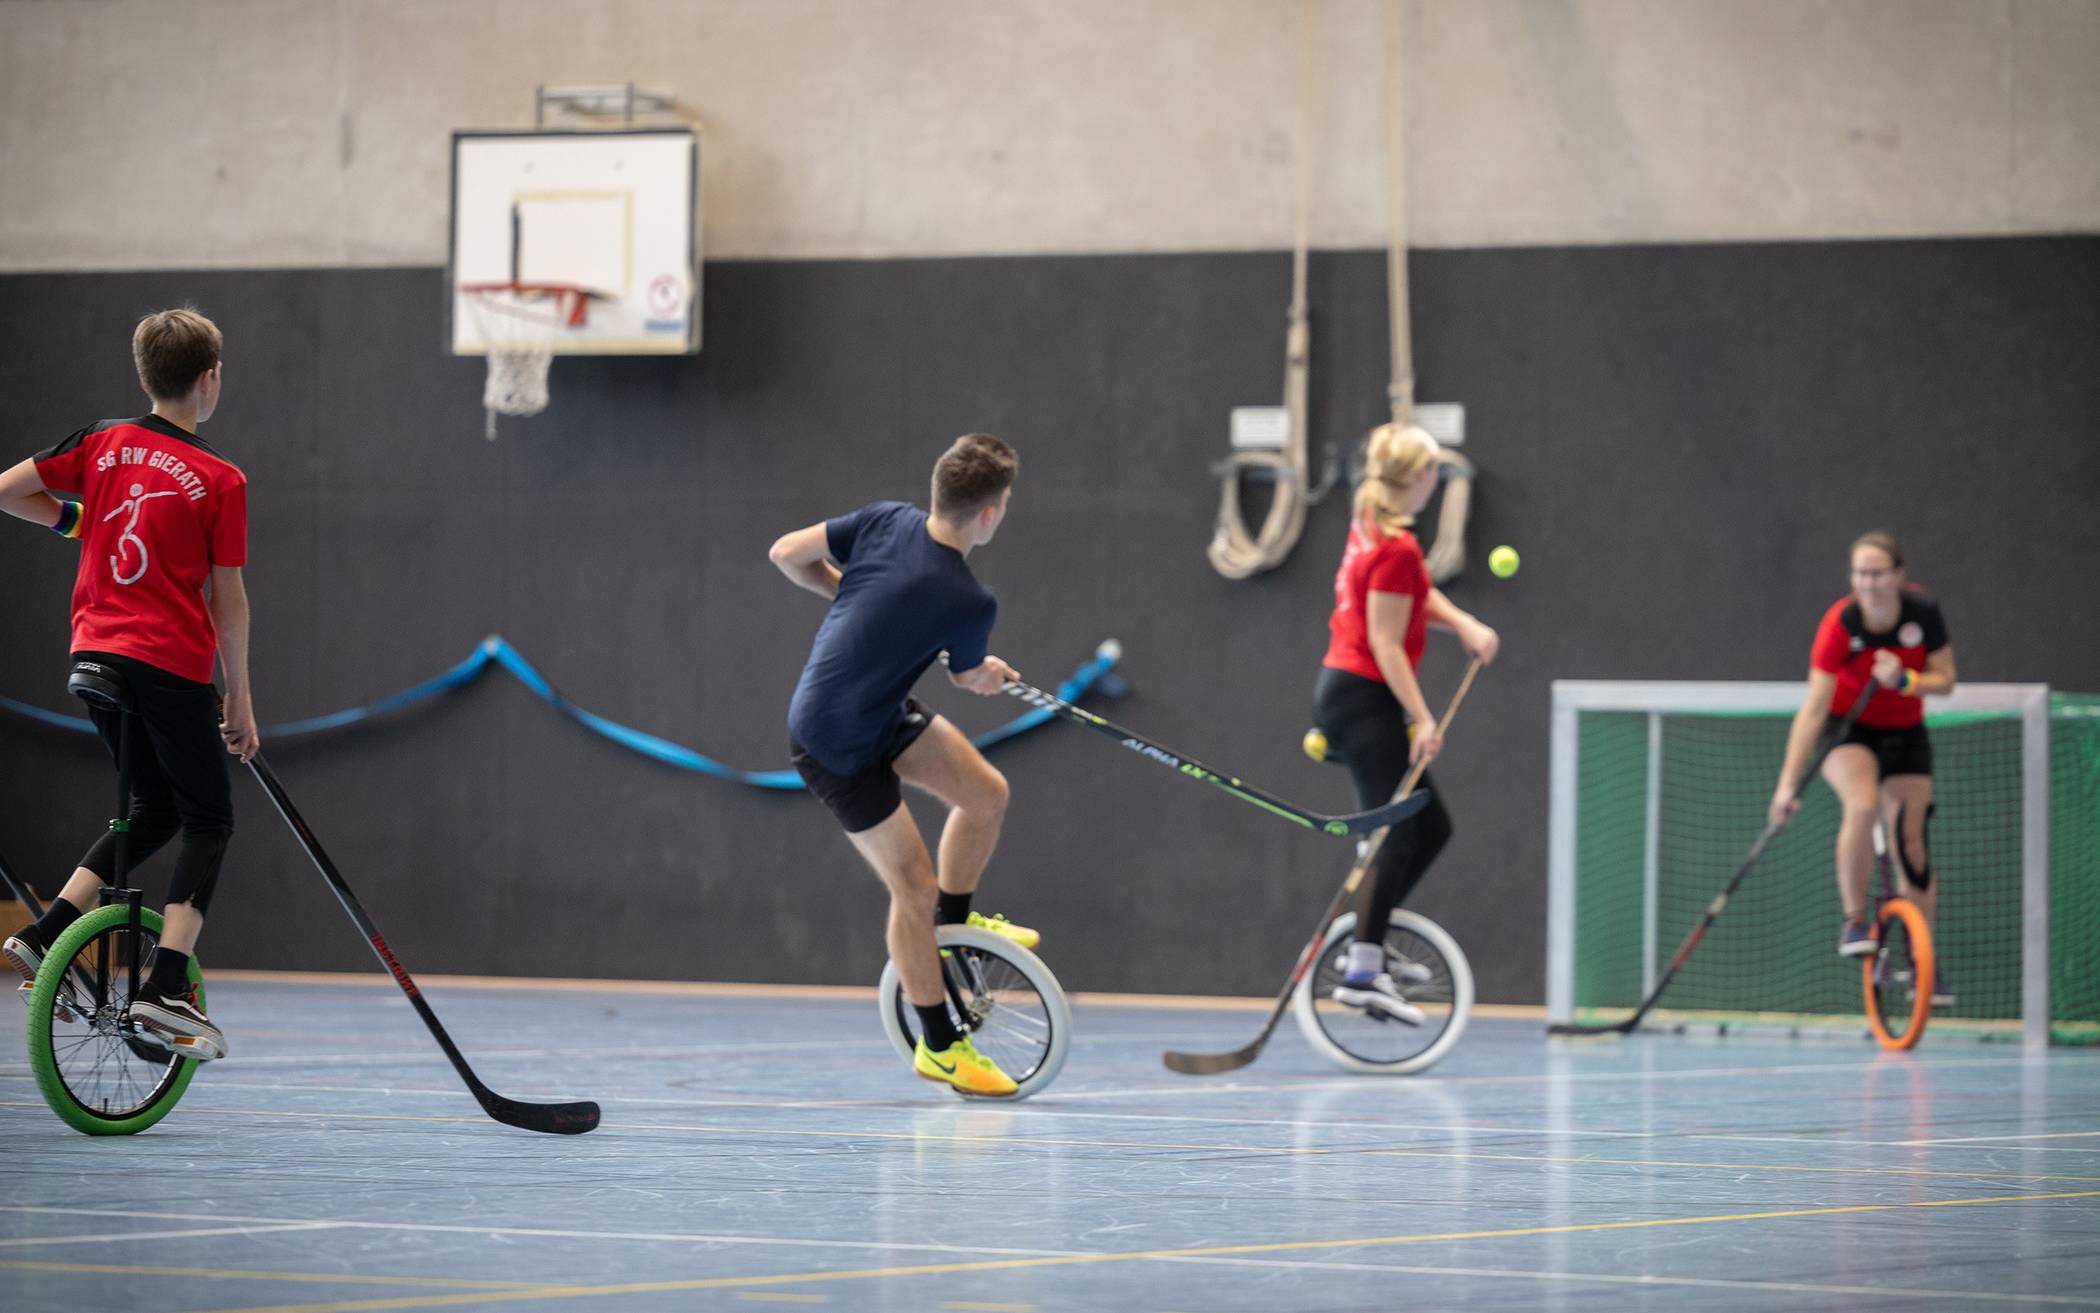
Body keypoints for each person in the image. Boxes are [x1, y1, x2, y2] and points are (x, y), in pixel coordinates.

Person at [0, 307, 257, 1059]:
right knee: (209, 818)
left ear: (144, 377)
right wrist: (238, 697)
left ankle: (46, 933)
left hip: (93, 660)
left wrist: (75, 523)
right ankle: (167, 983)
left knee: (152, 810)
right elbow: (228, 598)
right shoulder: (220, 477)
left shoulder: (103, 442)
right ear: (210, 380)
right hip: (169, 666)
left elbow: (9, 490)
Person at [770, 433, 1036, 1096]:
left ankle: (953, 919)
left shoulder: (887, 519)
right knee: (910, 888)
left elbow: (785, 553)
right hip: (833, 742)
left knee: (986, 794)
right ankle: (940, 1046)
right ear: (991, 513)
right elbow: (970, 675)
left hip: (876, 710)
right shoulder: (970, 600)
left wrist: (844, 591)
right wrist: (989, 672)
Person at [1312, 423, 1498, 1022]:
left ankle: (1371, 930)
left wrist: (1464, 623)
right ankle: (1363, 970)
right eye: (1435, 470)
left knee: (1431, 826)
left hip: (1355, 694)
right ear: (1419, 477)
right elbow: (1385, 640)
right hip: (1362, 697)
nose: (1438, 480)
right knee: (1398, 830)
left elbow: (1409, 594)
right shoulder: (1394, 544)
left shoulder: (1376, 526)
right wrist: (1423, 718)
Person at [1771, 531, 1955, 1005]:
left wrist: (1905, 679)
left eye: (1876, 573)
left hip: (1905, 733)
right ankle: (1854, 919)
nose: (1867, 583)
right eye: (1859, 573)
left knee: (1911, 841)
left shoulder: (1922, 615)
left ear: (1898, 575)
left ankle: (1921, 960)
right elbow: (1813, 708)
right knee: (1862, 805)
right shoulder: (1841, 622)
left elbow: (1946, 682)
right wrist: (1788, 784)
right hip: (1847, 729)